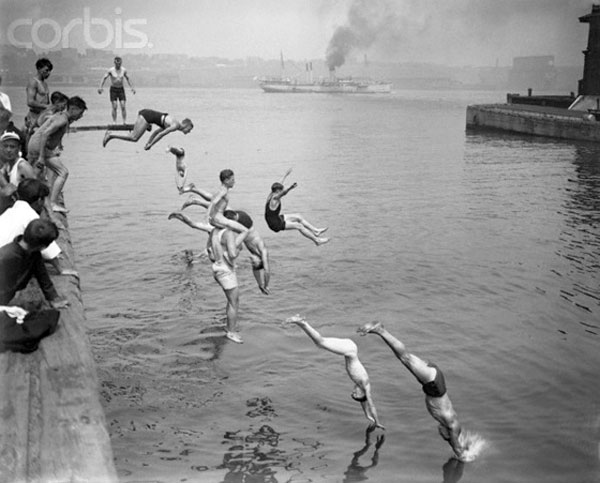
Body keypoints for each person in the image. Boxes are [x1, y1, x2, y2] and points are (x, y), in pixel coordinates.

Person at [357, 322, 467, 461]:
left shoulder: (450, 424)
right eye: (444, 436)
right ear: (449, 434)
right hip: (433, 385)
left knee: (405, 357)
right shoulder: (451, 424)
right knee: (405, 357)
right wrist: (462, 454)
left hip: (434, 381)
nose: (441, 434)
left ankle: (381, 331)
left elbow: (454, 437)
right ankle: (380, 330)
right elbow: (456, 446)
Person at [287, 314, 384, 429]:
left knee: (320, 343)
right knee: (320, 343)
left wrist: (368, 416)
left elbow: (364, 404)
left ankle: (301, 322)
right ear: (361, 393)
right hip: (350, 350)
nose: (352, 393)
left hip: (349, 349)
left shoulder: (361, 387)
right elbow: (371, 404)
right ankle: (301, 322)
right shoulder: (364, 384)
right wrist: (377, 422)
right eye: (355, 394)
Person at [0, 218, 67, 353]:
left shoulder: (33, 253)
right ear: (43, 246)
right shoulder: (5, 256)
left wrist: (53, 298)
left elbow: (42, 275)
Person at [0, 178, 77, 277]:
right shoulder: (30, 215)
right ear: (39, 200)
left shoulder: (11, 210)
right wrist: (60, 269)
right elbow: (48, 248)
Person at [28, 96, 87, 212]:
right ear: (73, 109)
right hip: (39, 147)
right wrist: (41, 157)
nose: (81, 116)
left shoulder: (61, 116)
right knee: (63, 172)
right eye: (80, 113)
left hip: (35, 144)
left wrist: (58, 144)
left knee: (35, 175)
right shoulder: (63, 119)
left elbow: (54, 133)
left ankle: (31, 201)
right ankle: (53, 203)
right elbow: (45, 134)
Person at [206, 221, 250, 344]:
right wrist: (238, 247)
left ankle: (229, 326)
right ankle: (231, 332)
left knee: (231, 301)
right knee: (234, 302)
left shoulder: (214, 231)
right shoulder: (228, 233)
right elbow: (232, 254)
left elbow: (210, 254)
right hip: (226, 272)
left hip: (217, 268)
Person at [265, 181, 329, 246]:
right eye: (281, 190)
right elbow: (284, 193)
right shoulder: (275, 199)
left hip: (275, 218)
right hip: (274, 224)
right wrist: (290, 188)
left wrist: (285, 175)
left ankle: (316, 231)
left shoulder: (271, 194)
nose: (282, 191)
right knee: (299, 226)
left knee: (298, 216)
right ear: (278, 191)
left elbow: (280, 183)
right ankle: (317, 241)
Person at [224, 210, 270, 295]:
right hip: (246, 224)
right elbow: (266, 270)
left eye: (252, 262)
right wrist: (266, 285)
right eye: (254, 261)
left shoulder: (255, 257)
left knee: (225, 220)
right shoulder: (262, 250)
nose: (251, 260)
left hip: (243, 230)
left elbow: (256, 271)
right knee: (228, 217)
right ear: (260, 260)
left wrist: (261, 286)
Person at [102, 109, 193, 150]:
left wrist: (149, 142)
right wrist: (151, 145)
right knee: (134, 137)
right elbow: (161, 135)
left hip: (147, 115)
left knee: (134, 137)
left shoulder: (173, 123)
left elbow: (156, 132)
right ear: (186, 125)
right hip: (146, 116)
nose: (189, 132)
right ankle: (110, 135)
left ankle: (111, 135)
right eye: (189, 129)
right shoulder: (175, 125)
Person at [0, 131, 35, 215]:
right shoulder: (7, 165)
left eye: (12, 147)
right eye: (5, 146)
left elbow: (37, 188)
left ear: (19, 148)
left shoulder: (22, 166)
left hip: (25, 211)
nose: (8, 150)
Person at [207, 169, 248, 234]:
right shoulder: (224, 191)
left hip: (215, 219)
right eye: (232, 180)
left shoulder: (220, 189)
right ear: (226, 181)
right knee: (245, 231)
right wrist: (207, 216)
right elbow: (214, 202)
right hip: (219, 219)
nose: (234, 182)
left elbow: (213, 201)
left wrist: (211, 217)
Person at [97, 56, 135, 124]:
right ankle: (114, 121)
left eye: (120, 63)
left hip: (121, 89)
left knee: (123, 105)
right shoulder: (111, 70)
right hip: (113, 89)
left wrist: (132, 88)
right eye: (117, 63)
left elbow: (128, 78)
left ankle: (124, 121)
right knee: (114, 106)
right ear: (115, 63)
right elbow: (104, 78)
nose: (118, 65)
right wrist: (100, 87)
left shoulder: (123, 70)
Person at [25, 58, 52, 135]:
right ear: (39, 68)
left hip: (43, 116)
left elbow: (47, 101)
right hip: (34, 116)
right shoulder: (33, 82)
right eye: (46, 70)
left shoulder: (45, 83)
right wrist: (46, 106)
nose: (48, 73)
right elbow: (30, 102)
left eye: (50, 71)